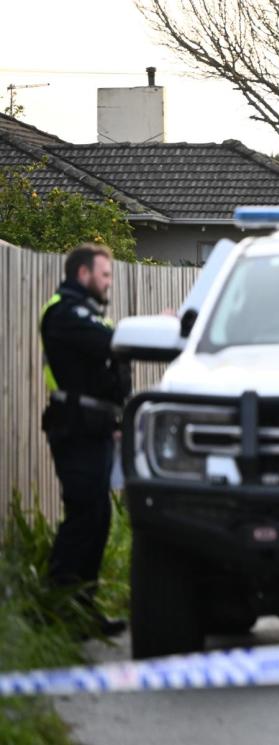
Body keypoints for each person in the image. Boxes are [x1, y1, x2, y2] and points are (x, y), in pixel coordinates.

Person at [39, 243, 130, 637]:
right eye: (105, 275)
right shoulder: (64, 311)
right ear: (83, 274)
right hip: (73, 429)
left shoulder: (89, 314)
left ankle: (82, 611)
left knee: (98, 517)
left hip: (94, 427)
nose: (108, 282)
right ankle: (56, 609)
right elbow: (106, 346)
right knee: (83, 516)